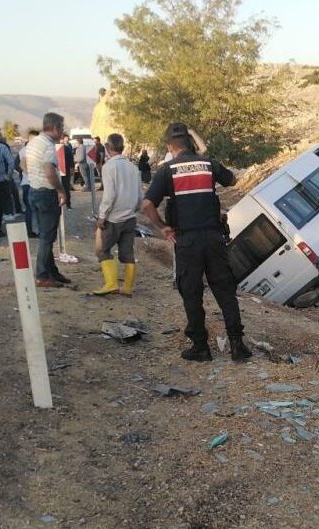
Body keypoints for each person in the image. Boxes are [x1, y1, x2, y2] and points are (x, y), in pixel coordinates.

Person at [141, 122, 252, 362]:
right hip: (214, 237)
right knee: (225, 291)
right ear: (190, 143)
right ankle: (237, 345)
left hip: (187, 240)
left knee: (191, 293)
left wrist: (163, 228)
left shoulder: (167, 170)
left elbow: (147, 205)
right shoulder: (208, 164)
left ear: (170, 146)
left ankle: (201, 347)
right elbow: (233, 181)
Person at [92, 133, 142, 296]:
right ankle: (127, 287)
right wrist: (134, 209)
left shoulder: (109, 167)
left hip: (114, 218)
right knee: (127, 252)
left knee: (102, 250)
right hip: (130, 217)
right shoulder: (133, 167)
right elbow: (140, 194)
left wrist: (102, 216)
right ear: (122, 147)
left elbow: (110, 195)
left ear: (108, 148)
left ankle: (111, 284)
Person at [25, 113, 71, 288]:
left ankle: (51, 271)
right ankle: (42, 275)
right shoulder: (48, 146)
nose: (63, 131)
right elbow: (50, 172)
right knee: (47, 237)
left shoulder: (34, 142)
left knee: (46, 235)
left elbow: (23, 164)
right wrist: (61, 191)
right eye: (62, 127)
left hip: (34, 191)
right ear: (55, 127)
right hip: (46, 193)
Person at [18, 130, 40, 237]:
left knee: (30, 209)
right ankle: (37, 231)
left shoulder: (24, 150)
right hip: (32, 183)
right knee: (36, 209)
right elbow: (22, 165)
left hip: (28, 183)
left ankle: (30, 232)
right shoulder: (28, 151)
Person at [57, 134, 73, 206]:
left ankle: (58, 203)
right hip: (66, 170)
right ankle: (68, 204)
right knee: (66, 187)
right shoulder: (67, 148)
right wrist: (72, 168)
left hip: (57, 171)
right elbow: (71, 159)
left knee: (57, 187)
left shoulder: (53, 148)